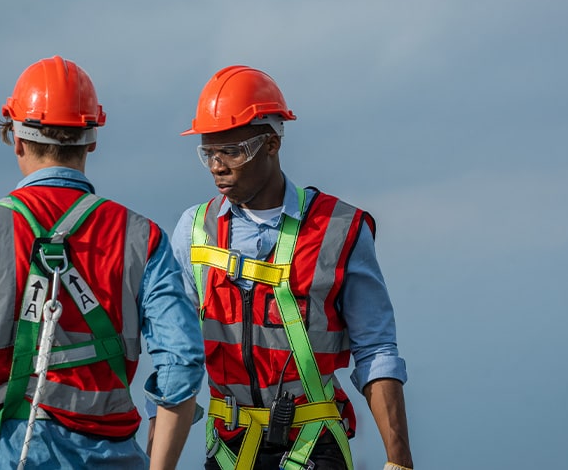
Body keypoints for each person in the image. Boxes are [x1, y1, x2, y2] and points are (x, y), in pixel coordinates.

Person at [0, 56, 205, 470]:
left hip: (8, 455)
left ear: (15, 139)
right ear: (91, 140)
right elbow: (182, 366)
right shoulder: (142, 237)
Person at [162, 65, 413, 469]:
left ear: (272, 144)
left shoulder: (339, 230)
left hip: (313, 448)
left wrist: (399, 461)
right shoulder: (194, 232)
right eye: (208, 152)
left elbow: (376, 350)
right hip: (228, 451)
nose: (217, 166)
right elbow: (174, 355)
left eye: (232, 151)